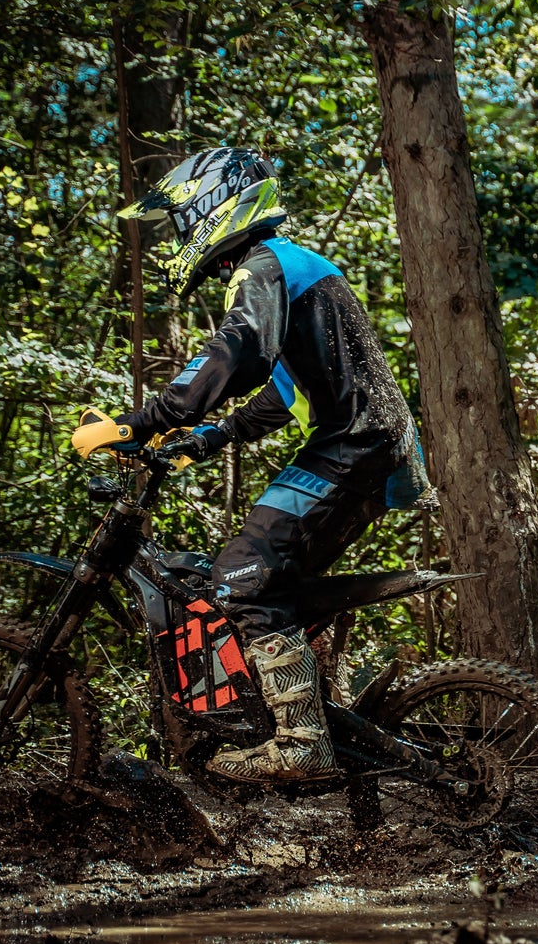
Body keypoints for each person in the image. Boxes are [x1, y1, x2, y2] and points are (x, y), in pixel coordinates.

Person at [72, 147, 436, 783]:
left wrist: (145, 419)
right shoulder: (295, 265)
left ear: (216, 205)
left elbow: (239, 353)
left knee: (241, 576)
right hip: (368, 444)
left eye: (184, 219)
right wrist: (206, 439)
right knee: (264, 579)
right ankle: (313, 708)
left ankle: (300, 742)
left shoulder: (263, 268)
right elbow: (288, 388)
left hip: (355, 448)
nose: (181, 236)